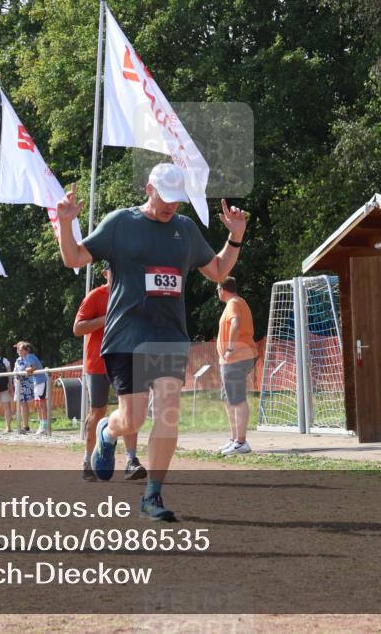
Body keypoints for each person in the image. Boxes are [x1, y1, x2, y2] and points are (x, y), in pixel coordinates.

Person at [56, 162, 247, 522]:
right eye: (165, 198)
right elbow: (73, 258)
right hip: (127, 335)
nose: (171, 206)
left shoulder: (185, 230)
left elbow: (219, 271)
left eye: (178, 200)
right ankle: (107, 431)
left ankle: (152, 496)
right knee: (133, 418)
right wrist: (65, 223)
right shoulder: (120, 224)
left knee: (168, 412)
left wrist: (234, 236)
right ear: (149, 189)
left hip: (169, 336)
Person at [74, 261, 146, 481]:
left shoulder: (132, 296)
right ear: (105, 273)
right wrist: (107, 319)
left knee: (130, 410)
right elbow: (78, 328)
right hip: (98, 363)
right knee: (97, 411)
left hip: (126, 359)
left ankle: (132, 460)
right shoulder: (95, 296)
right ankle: (87, 461)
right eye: (115, 270)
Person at [215, 277, 258, 456]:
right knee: (228, 398)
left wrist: (230, 348)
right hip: (232, 360)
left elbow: (236, 323)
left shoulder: (233, 303)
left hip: (236, 358)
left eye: (217, 289)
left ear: (221, 289)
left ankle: (241, 442)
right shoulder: (236, 302)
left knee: (237, 398)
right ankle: (235, 439)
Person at [14, 342, 48, 434]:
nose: (19, 351)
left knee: (42, 403)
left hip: (41, 381)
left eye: (21, 349)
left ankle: (45, 426)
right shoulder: (27, 357)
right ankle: (42, 425)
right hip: (36, 382)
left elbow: (33, 367)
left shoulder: (30, 356)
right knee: (38, 404)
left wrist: (25, 370)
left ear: (27, 350)